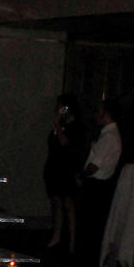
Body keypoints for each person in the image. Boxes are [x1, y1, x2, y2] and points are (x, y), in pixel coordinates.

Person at [79, 97, 123, 267]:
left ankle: (89, 263)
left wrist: (81, 176)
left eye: (99, 111)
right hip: (97, 185)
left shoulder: (110, 136)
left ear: (106, 114)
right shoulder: (107, 134)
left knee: (92, 225)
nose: (96, 115)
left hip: (97, 186)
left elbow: (94, 165)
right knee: (92, 225)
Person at [43, 92, 87, 253]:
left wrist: (58, 126)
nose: (56, 109)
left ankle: (72, 242)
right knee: (56, 203)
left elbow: (66, 144)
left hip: (67, 169)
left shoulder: (77, 127)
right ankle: (57, 237)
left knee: (68, 204)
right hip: (54, 168)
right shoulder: (62, 125)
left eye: (59, 106)